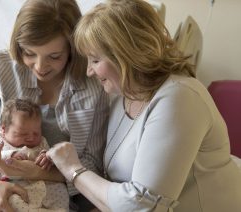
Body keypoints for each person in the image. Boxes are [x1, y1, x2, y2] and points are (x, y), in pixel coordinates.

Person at [45, 0, 241, 211]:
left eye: (95, 60)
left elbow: (142, 204)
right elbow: (116, 185)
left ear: (124, 55)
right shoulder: (123, 96)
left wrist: (73, 169)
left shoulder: (180, 97)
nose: (89, 72)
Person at [0, 0, 109, 211]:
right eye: (29, 53)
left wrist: (35, 172)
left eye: (54, 56)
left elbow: (91, 164)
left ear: (72, 50)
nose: (40, 67)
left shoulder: (93, 87)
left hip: (51, 195)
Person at [0, 98, 69, 211]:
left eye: (36, 133)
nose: (31, 138)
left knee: (61, 191)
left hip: (44, 186)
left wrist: (46, 158)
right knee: (12, 201)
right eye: (23, 134)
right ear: (3, 129)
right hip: (16, 188)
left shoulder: (41, 141)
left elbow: (48, 157)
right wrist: (10, 155)